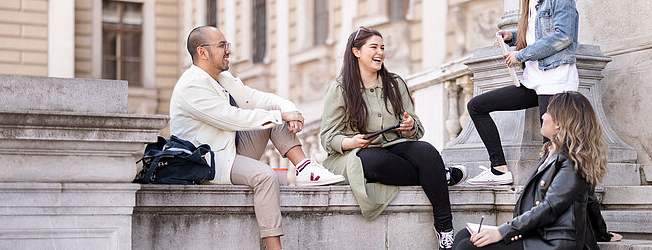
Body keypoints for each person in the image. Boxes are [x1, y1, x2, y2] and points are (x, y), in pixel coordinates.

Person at [169, 26, 345, 250]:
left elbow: (261, 100)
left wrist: (291, 113)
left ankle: (305, 168)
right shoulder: (191, 85)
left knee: (272, 111)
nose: (228, 51)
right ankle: (274, 247)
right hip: (207, 160)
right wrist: (280, 115)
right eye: (222, 46)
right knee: (265, 175)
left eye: (227, 46)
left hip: (230, 149)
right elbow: (231, 118)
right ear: (202, 52)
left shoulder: (222, 78)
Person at [320, 27, 468, 250]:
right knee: (376, 162)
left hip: (394, 145)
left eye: (382, 47)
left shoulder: (395, 83)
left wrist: (409, 127)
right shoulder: (340, 89)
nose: (380, 52)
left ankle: (445, 228)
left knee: (427, 152)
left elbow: (417, 129)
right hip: (357, 153)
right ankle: (440, 176)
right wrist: (352, 142)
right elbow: (327, 137)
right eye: (373, 47)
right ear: (356, 52)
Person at [453, 91, 607, 250]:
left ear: (559, 123)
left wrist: (502, 231)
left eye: (548, 112)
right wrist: (603, 233)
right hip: (538, 234)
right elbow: (590, 199)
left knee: (467, 247)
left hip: (553, 242)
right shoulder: (551, 153)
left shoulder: (571, 161)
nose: (542, 116)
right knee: (464, 235)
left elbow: (550, 207)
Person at [465, 0, 580, 185]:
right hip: (532, 82)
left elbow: (563, 36)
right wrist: (512, 37)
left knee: (551, 152)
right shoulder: (531, 4)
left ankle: (556, 201)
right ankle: (499, 169)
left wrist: (521, 55)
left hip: (555, 81)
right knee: (477, 106)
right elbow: (539, 33)